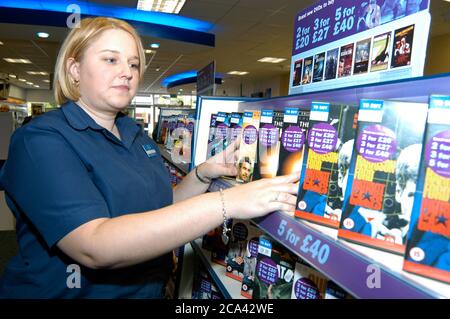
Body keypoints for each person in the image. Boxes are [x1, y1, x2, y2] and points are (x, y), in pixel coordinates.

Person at [0, 17, 299, 298]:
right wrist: (228, 203)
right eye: (110, 59)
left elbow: (160, 205)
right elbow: (94, 245)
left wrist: (201, 174)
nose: (127, 72)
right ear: (75, 69)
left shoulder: (134, 133)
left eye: (133, 63)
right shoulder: (41, 141)